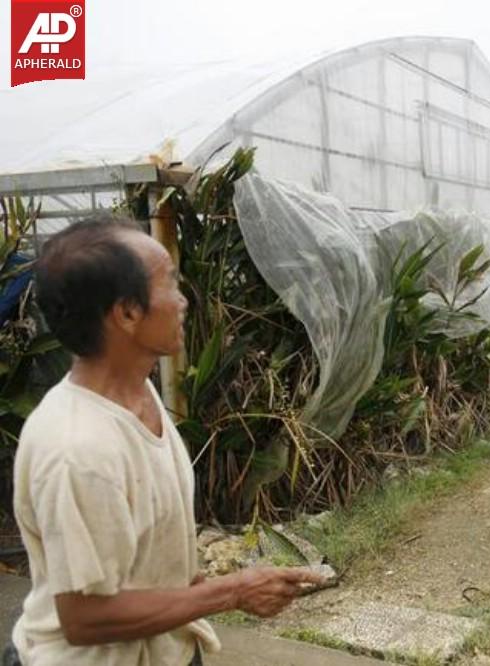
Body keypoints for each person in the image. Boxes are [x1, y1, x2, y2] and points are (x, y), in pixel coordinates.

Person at [8, 216, 321, 666]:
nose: (183, 301)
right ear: (128, 313)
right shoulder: (77, 450)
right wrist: (231, 591)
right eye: (170, 285)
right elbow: (84, 619)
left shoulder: (138, 388)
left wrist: (199, 592)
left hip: (167, 647)